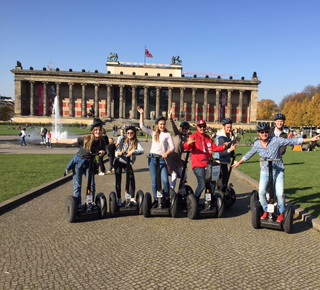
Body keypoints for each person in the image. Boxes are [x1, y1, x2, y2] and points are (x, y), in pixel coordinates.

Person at [232, 122, 320, 222]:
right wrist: (239, 162)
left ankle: (281, 212)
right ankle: (266, 210)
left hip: (278, 170)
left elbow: (292, 141)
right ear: (258, 133)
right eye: (261, 132)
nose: (264, 134)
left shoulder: (276, 140)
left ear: (269, 132)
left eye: (266, 132)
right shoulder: (257, 144)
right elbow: (249, 154)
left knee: (279, 194)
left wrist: (311, 140)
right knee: (261, 192)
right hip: (265, 171)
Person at [51, 118, 106, 209]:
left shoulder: (102, 141)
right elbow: (71, 141)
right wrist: (57, 141)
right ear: (92, 131)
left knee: (91, 184)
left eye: (99, 130)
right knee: (78, 185)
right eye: (96, 130)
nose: (98, 131)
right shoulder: (86, 138)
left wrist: (103, 151)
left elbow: (104, 149)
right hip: (78, 163)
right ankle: (78, 204)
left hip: (90, 164)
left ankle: (89, 202)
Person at [183, 119, 233, 202]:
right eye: (200, 126)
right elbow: (186, 147)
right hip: (198, 165)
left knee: (212, 184)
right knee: (202, 184)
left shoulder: (208, 138)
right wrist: (188, 143)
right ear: (197, 127)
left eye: (204, 126)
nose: (202, 128)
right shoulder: (193, 136)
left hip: (208, 165)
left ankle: (209, 200)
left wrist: (223, 146)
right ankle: (194, 201)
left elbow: (215, 148)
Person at [137, 106, 174, 207]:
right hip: (152, 159)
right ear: (157, 125)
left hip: (162, 159)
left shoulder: (168, 134)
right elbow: (142, 126)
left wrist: (166, 153)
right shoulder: (153, 133)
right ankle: (156, 198)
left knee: (165, 180)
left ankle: (166, 198)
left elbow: (173, 147)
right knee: (154, 180)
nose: (162, 126)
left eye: (163, 124)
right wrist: (142, 114)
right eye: (160, 124)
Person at [114, 126, 144, 206]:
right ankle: (119, 198)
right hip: (119, 161)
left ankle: (132, 197)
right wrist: (118, 153)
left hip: (127, 162)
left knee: (131, 179)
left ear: (134, 133)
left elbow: (142, 150)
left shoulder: (136, 142)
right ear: (126, 133)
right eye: (128, 133)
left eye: (131, 133)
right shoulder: (122, 140)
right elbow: (117, 151)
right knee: (118, 180)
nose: (129, 134)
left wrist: (133, 151)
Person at [167, 107, 190, 190]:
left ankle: (180, 190)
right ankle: (171, 192)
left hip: (178, 161)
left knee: (184, 176)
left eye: (186, 128)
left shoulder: (188, 138)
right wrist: (170, 118)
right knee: (174, 176)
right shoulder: (177, 134)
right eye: (182, 128)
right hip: (171, 159)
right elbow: (173, 126)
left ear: (188, 130)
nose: (184, 129)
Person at [214, 118, 237, 191]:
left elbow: (228, 145)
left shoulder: (226, 135)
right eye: (228, 127)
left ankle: (220, 194)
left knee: (224, 179)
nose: (229, 129)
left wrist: (234, 141)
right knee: (222, 180)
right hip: (220, 161)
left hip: (224, 161)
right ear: (224, 126)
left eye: (230, 127)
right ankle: (219, 195)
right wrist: (230, 150)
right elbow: (221, 152)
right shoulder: (221, 137)